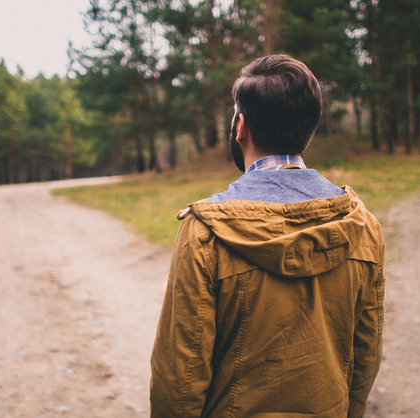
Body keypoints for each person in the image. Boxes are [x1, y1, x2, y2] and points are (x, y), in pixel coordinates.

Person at [150, 54, 385, 418]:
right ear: (309, 127)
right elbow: (365, 354)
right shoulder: (363, 226)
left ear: (240, 126)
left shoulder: (204, 232)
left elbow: (180, 378)